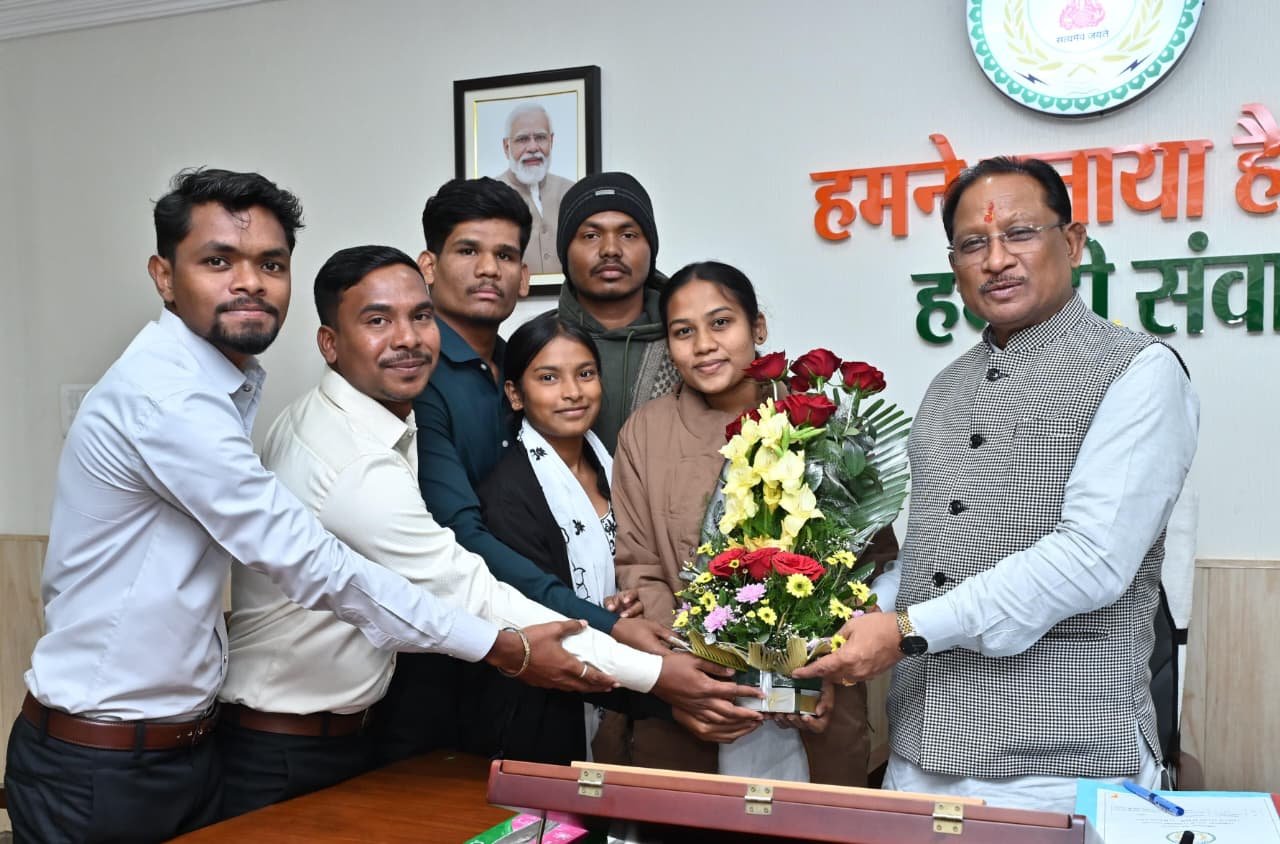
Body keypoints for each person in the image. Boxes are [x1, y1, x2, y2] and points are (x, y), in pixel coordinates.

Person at [2, 170, 572, 843]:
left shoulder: (220, 387)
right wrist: (500, 646)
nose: (250, 282)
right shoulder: (167, 399)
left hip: (182, 750)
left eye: (270, 264)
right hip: (102, 765)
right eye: (218, 261)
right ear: (164, 276)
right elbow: (312, 564)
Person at [217, 246, 747, 815]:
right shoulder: (353, 461)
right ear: (329, 343)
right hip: (286, 749)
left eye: (420, 316)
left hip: (340, 731)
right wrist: (657, 675)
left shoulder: (370, 419)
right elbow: (470, 591)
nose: (407, 338)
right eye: (377, 320)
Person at [795, 157, 1199, 812]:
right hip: (919, 747)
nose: (997, 260)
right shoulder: (945, 387)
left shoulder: (1138, 371)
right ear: (953, 264)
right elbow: (930, 559)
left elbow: (1092, 559)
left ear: (1072, 242)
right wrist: (843, 620)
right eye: (973, 243)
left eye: (1020, 233)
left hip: (1059, 762)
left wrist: (903, 629)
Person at [376, 177, 751, 762]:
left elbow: (634, 547)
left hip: (585, 651)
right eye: (468, 251)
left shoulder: (520, 362)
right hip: (464, 654)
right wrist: (606, 624)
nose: (489, 270)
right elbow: (463, 536)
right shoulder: (418, 377)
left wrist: (619, 609)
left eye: (505, 255)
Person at [612, 261, 900, 784]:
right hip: (698, 693)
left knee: (816, 818)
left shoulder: (823, 424)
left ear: (758, 327)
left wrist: (823, 663)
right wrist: (692, 672)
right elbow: (640, 565)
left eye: (721, 323)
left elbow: (871, 563)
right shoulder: (645, 433)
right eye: (683, 332)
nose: (704, 345)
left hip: (816, 694)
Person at [472, 312, 678, 763]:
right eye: (549, 378)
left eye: (585, 374)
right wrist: (607, 620)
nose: (573, 392)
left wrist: (630, 599)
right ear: (515, 394)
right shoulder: (507, 492)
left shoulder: (617, 466)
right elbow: (538, 608)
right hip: (548, 705)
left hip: (629, 685)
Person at [556, 171, 680, 452]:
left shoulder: (689, 340)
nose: (610, 250)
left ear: (650, 249)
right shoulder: (540, 343)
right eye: (590, 235)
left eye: (628, 235)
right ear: (565, 252)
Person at [498, 102, 575, 275]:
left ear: (551, 141)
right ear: (506, 146)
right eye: (522, 139)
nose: (533, 148)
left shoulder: (571, 192)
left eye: (540, 137)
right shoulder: (492, 196)